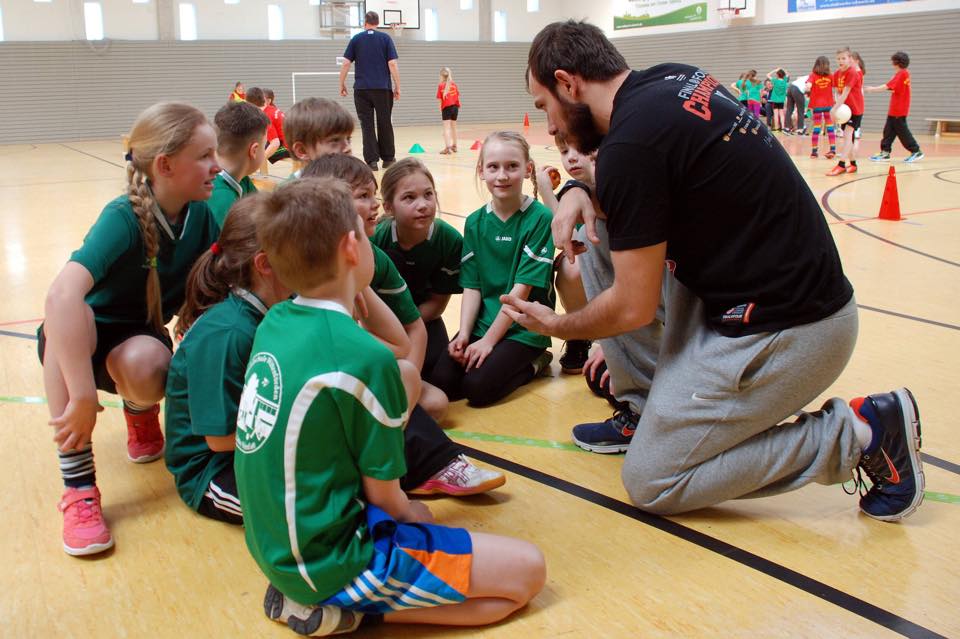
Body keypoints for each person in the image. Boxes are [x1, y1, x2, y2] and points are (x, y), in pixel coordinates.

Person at [510, 20, 924, 522]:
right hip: (758, 292)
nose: (550, 126)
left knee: (653, 482)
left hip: (793, 330)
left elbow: (632, 307)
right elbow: (642, 193)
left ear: (568, 82)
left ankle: (861, 435)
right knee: (594, 237)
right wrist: (578, 191)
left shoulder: (630, 147)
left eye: (544, 106)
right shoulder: (673, 78)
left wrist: (557, 325)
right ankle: (646, 410)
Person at [234, 177, 545, 636]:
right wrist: (408, 513)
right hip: (334, 562)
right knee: (527, 572)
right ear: (351, 248)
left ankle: (325, 600)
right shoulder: (363, 359)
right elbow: (385, 496)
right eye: (363, 230)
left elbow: (399, 344)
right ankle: (342, 612)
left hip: (276, 548)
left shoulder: (277, 320)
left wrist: (351, 284)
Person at [39, 103, 221, 555]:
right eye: (205, 155)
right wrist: (83, 396)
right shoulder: (123, 217)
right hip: (77, 340)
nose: (216, 165)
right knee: (70, 317)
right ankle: (79, 488)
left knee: (148, 362)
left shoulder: (200, 216)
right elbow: (61, 297)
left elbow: (215, 290)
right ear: (165, 165)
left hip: (133, 340)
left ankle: (139, 412)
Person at [302, 155, 451, 424]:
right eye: (363, 196)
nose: (375, 205)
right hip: (321, 373)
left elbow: (413, 330)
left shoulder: (374, 256)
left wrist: (409, 389)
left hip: (360, 358)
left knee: (436, 401)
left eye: (374, 195)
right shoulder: (306, 262)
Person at [430, 132, 555, 407]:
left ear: (527, 170)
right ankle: (480, 347)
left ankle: (537, 361)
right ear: (481, 171)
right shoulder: (475, 222)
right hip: (484, 323)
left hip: (523, 328)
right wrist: (464, 334)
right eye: (493, 167)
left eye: (512, 166)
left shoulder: (540, 219)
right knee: (442, 383)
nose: (502, 175)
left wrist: (487, 341)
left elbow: (520, 292)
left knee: (478, 389)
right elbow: (472, 286)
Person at [373, 158, 464, 384]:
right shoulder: (377, 239)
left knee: (442, 379)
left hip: (423, 318)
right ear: (388, 207)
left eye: (428, 194)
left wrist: (409, 327)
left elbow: (438, 303)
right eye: (409, 198)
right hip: (382, 321)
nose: (422, 205)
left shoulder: (449, 240)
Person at [536, 131, 593, 375]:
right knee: (569, 265)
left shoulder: (616, 182)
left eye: (580, 150)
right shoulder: (569, 194)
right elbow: (564, 237)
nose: (571, 158)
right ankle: (579, 335)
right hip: (594, 277)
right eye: (564, 151)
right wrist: (546, 192)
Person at [339, 11, 400, 171]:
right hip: (382, 89)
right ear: (378, 23)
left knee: (367, 125)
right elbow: (392, 64)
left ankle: (372, 161)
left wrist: (341, 83)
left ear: (365, 23)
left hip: (362, 89)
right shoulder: (385, 38)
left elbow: (346, 63)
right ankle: (388, 159)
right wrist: (397, 85)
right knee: (385, 122)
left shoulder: (356, 39)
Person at [208, 101, 268, 229]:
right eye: (265, 146)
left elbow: (266, 210)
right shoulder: (221, 199)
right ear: (254, 151)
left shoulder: (241, 179)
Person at [867, 51, 924, 163]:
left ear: (896, 62)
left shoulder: (902, 74)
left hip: (899, 110)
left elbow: (888, 86)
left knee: (903, 132)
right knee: (888, 131)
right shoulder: (903, 74)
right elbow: (894, 88)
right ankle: (885, 152)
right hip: (895, 109)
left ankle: (916, 150)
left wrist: (872, 89)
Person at [283, 97, 353, 179]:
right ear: (302, 150)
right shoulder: (291, 190)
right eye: (335, 140)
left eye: (348, 139)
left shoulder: (352, 180)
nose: (348, 148)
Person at [827, 47, 864, 176]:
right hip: (844, 110)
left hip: (855, 109)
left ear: (850, 59)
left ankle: (841, 164)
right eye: (838, 59)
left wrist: (834, 109)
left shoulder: (852, 72)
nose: (841, 61)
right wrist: (837, 108)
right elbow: (837, 92)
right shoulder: (837, 74)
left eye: (843, 58)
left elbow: (846, 92)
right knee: (849, 138)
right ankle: (853, 164)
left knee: (847, 136)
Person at [807, 56, 837, 159]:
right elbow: (836, 88)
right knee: (830, 127)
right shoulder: (830, 76)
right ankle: (833, 150)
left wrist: (808, 86)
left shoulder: (813, 75)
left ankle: (814, 152)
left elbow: (808, 86)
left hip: (817, 106)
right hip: (829, 105)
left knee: (816, 128)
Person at [244, 87, 283, 163]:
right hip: (289, 142)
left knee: (258, 152)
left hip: (289, 147)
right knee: (257, 146)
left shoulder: (265, 117)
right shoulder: (270, 108)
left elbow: (275, 143)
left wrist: (260, 160)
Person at [437, 67, 461, 155]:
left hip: (446, 108)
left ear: (441, 76)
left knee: (446, 128)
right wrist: (458, 106)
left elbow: (440, 100)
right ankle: (454, 146)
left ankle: (447, 148)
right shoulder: (454, 84)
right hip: (455, 107)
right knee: (454, 128)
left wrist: (441, 109)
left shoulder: (441, 86)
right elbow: (457, 97)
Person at [262, 88, 289, 161]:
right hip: (287, 142)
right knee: (261, 146)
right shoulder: (273, 109)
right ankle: (263, 172)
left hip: (287, 147)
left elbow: (275, 143)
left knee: (262, 151)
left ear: (268, 101)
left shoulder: (268, 115)